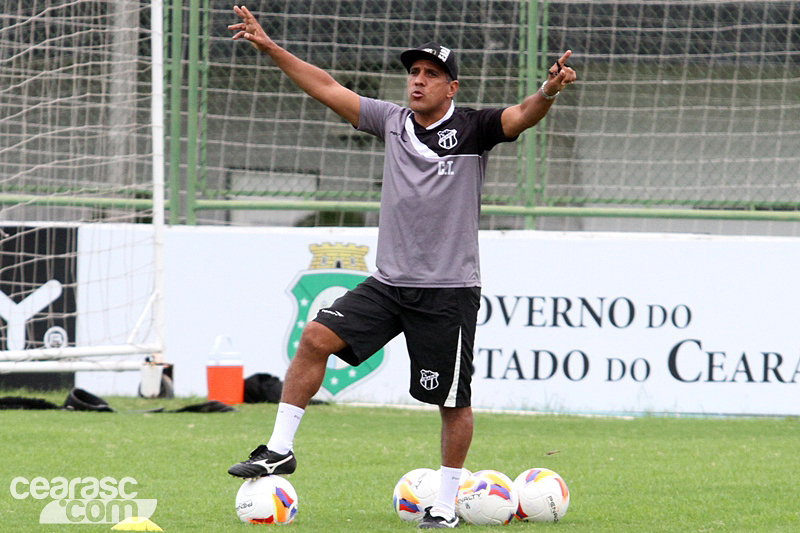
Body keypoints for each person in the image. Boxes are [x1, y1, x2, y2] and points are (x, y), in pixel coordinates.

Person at [227, 5, 576, 529]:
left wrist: (547, 91)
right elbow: (324, 86)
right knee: (316, 337)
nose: (417, 81)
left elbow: (521, 115)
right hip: (388, 284)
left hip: (448, 291)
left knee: (452, 401)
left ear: (451, 87)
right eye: (413, 73)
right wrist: (271, 48)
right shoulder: (390, 121)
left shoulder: (475, 128)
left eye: (430, 75)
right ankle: (279, 448)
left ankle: (443, 504)